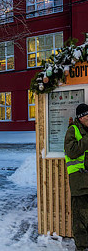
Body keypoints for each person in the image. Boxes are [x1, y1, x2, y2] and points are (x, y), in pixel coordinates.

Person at [65, 103, 88, 251]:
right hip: (79, 180)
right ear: (80, 117)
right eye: (87, 116)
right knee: (80, 217)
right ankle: (81, 247)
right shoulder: (73, 130)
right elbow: (71, 151)